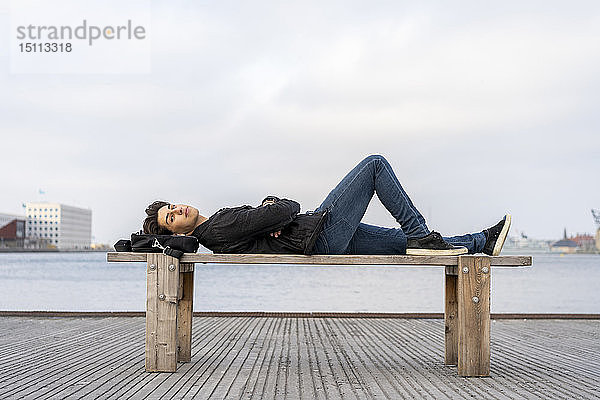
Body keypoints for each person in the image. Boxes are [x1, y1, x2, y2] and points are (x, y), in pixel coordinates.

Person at [142, 154, 511, 256]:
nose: (178, 212)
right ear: (177, 230)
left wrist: (271, 209)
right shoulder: (218, 227)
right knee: (375, 165)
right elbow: (289, 207)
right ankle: (420, 234)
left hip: (317, 237)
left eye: (172, 207)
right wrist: (273, 205)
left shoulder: (216, 228)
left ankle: (481, 242)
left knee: (404, 245)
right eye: (171, 219)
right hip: (319, 233)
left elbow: (274, 214)